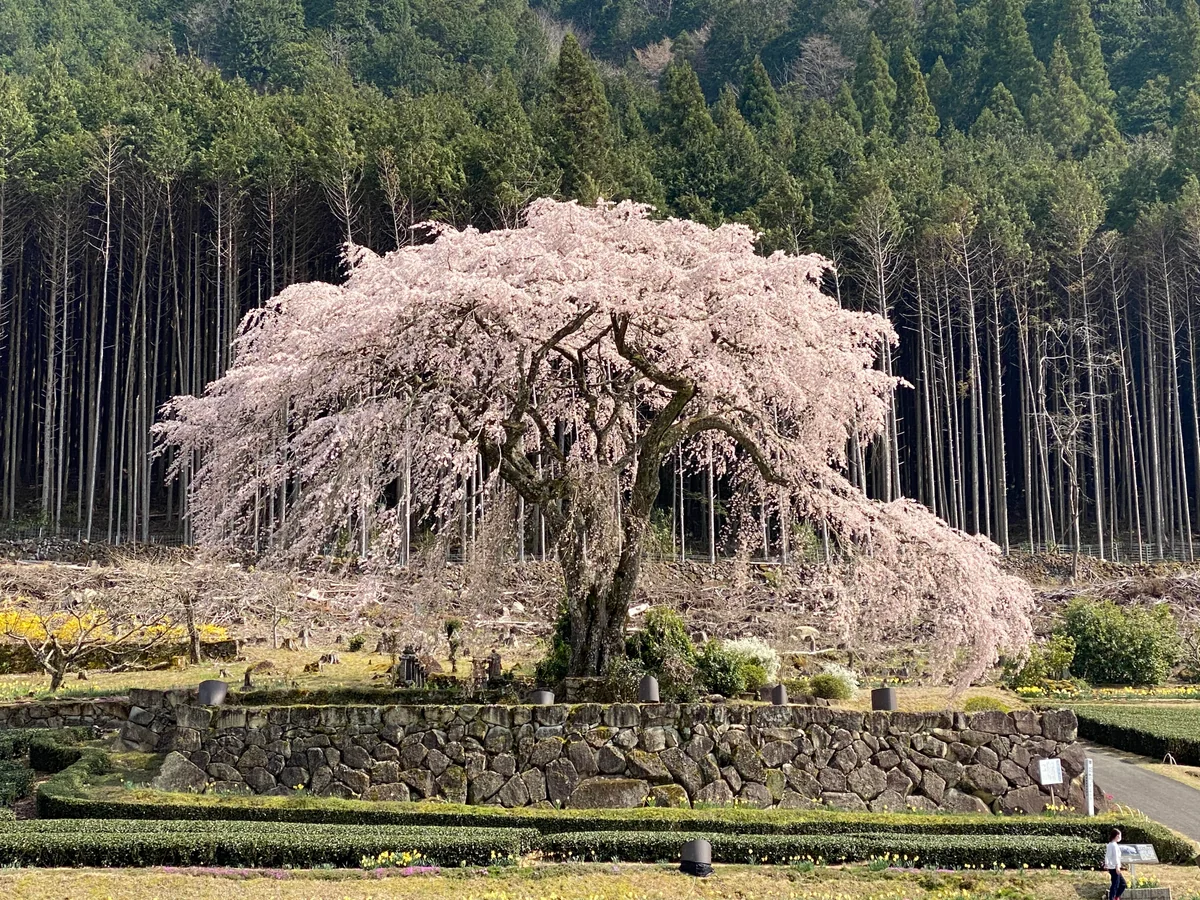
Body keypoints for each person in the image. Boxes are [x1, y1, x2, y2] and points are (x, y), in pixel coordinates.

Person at [1105, 827, 1127, 900]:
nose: (1120, 837)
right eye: (1120, 836)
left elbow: (1107, 856)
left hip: (1112, 867)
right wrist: (1117, 866)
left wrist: (1106, 864)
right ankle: (1113, 898)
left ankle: (1116, 897)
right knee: (1116, 885)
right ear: (1117, 836)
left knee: (1121, 884)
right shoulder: (1114, 845)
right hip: (1115, 867)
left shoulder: (1109, 844)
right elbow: (1116, 857)